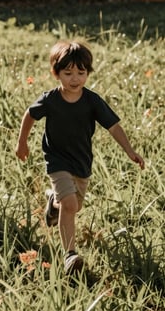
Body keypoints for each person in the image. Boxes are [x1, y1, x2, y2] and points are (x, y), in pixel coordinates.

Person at [15, 40, 144, 274]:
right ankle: (70, 255)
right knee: (70, 203)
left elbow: (113, 127)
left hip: (81, 163)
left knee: (73, 206)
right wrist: (22, 142)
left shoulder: (92, 101)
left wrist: (130, 151)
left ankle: (52, 202)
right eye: (68, 73)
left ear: (87, 73)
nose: (75, 79)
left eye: (80, 73)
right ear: (56, 74)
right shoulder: (50, 99)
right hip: (56, 160)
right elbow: (30, 115)